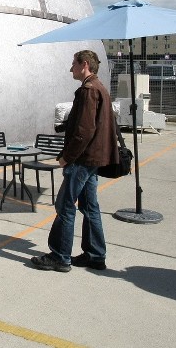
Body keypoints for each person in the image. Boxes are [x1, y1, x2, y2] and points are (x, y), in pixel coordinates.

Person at [31, 50, 117, 273]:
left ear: (84, 64)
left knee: (65, 206)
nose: (71, 69)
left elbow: (85, 131)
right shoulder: (100, 88)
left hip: (82, 159)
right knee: (90, 207)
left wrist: (66, 157)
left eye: (73, 64)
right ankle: (95, 254)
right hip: (94, 158)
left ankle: (60, 256)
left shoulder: (88, 91)